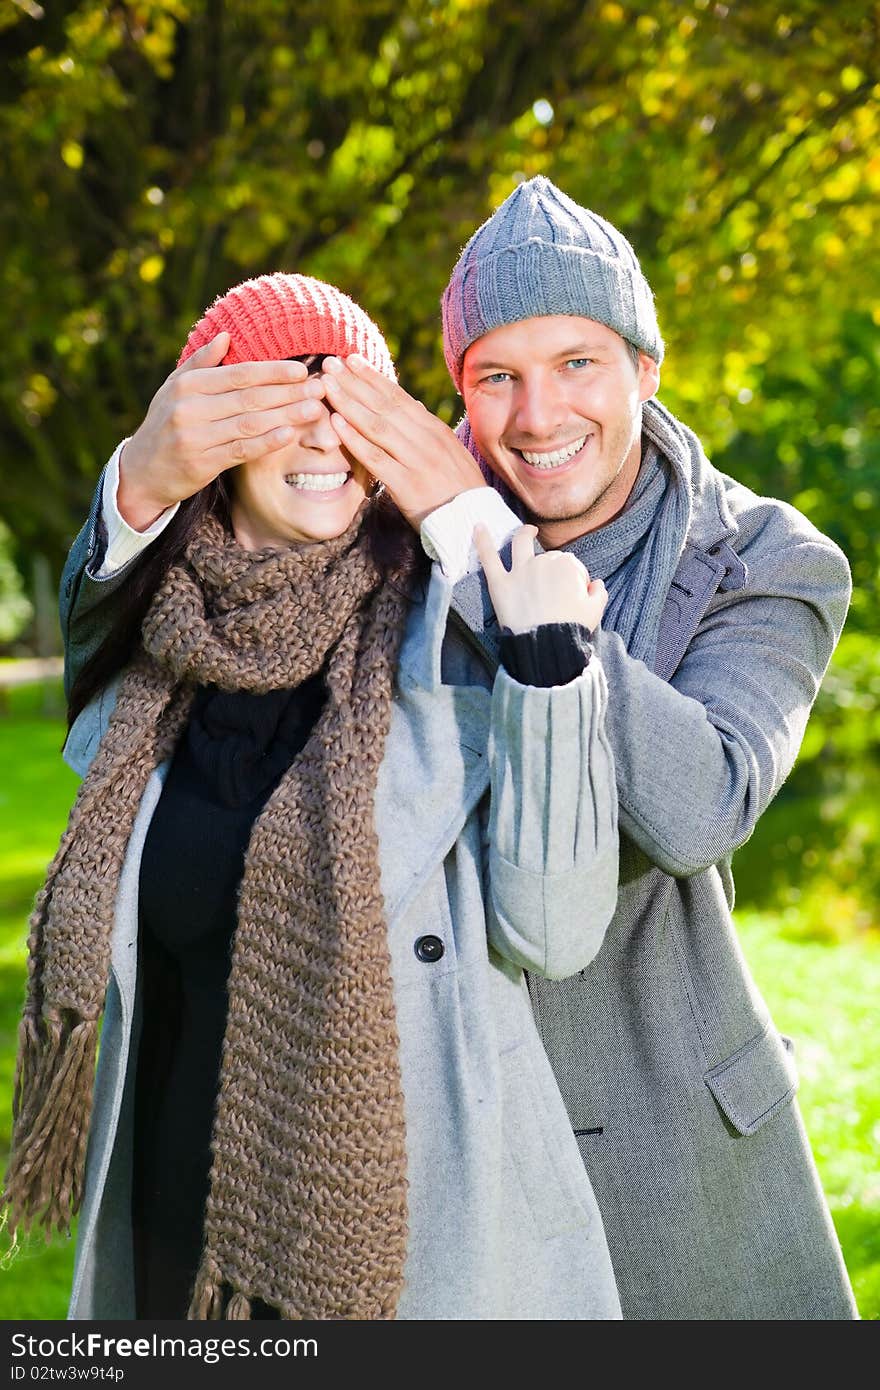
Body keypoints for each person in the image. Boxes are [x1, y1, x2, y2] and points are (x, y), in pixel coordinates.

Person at [3, 271, 623, 1321]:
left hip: (404, 1233)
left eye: (349, 408)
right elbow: (97, 586)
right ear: (215, 438)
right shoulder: (153, 652)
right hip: (173, 1214)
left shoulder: (451, 628)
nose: (324, 440)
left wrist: (551, 661)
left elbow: (555, 931)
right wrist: (140, 472)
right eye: (285, 407)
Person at [306, 178, 859, 1320]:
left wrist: (486, 545)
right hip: (427, 1138)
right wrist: (139, 487)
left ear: (646, 366)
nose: (538, 415)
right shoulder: (374, 528)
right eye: (495, 375)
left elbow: (698, 804)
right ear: (457, 386)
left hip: (676, 1153)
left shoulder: (769, 559)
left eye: (577, 364)